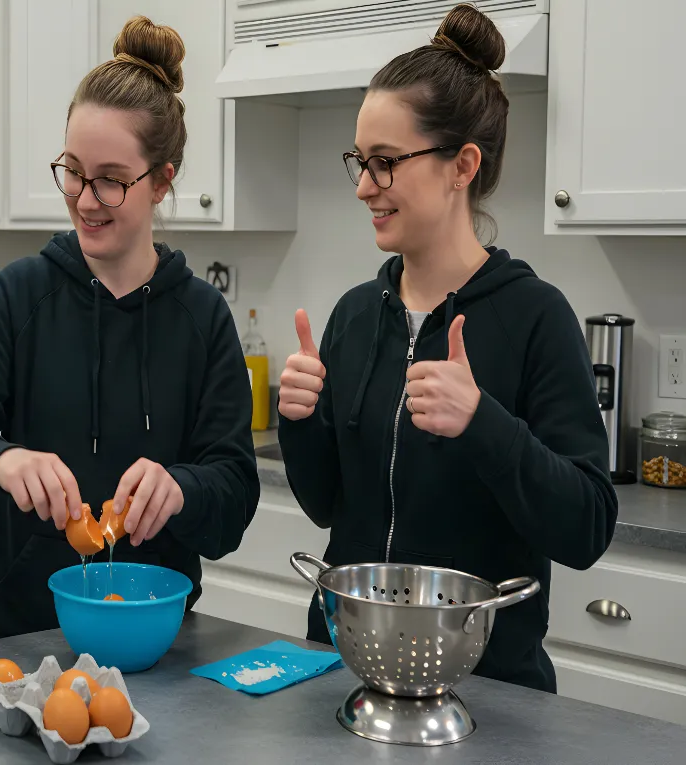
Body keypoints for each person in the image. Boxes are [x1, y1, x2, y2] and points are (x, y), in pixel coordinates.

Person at [277, 3, 617, 693]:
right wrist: (300, 419)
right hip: (342, 675)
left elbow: (587, 525)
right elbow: (325, 506)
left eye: (384, 163)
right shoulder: (352, 317)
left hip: (488, 691)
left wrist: (483, 423)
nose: (363, 186)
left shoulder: (536, 317)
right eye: (359, 161)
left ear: (462, 164)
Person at [0, 16, 260, 640]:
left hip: (160, 642)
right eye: (73, 170)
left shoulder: (203, 319)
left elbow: (234, 498)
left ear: (162, 181)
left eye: (110, 179)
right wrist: (2, 461)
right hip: (24, 640)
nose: (84, 197)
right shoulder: (21, 294)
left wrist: (182, 490)